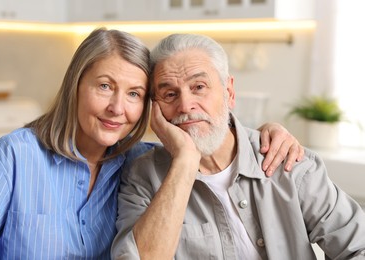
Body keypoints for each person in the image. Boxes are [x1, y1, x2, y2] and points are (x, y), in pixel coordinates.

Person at [0, 28, 302, 260]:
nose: (118, 108)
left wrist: (265, 133)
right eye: (105, 86)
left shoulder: (141, 166)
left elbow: (213, 140)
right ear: (76, 85)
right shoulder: (14, 157)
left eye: (134, 94)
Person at [112, 33, 365, 260]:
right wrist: (186, 160)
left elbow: (358, 247)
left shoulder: (288, 162)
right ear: (154, 109)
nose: (186, 105)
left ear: (229, 92)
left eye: (199, 87)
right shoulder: (142, 178)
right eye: (169, 94)